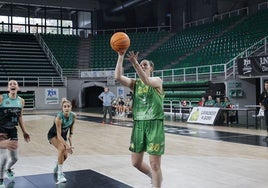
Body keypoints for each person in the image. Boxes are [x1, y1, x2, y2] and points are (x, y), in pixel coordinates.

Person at [115, 51, 165, 188]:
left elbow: (147, 81)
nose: (142, 66)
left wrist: (135, 63)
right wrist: (120, 55)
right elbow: (118, 77)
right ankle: (154, 178)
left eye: (145, 65)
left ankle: (156, 182)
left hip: (154, 124)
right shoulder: (135, 84)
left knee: (155, 164)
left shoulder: (157, 81)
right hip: (139, 125)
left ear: (151, 68)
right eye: (141, 64)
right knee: (136, 162)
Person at [0, 80, 30, 188]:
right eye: (10, 84)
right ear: (8, 88)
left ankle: (8, 169)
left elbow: (20, 116)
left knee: (15, 158)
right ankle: (1, 180)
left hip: (12, 130)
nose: (12, 85)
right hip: (1, 129)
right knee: (3, 157)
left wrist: (24, 131)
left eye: (15, 84)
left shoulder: (21, 101)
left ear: (18, 87)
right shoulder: (2, 98)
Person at [47, 98, 76, 184]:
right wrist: (66, 146)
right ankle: (60, 175)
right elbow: (58, 135)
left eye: (68, 106)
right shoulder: (58, 118)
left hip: (63, 136)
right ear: (62, 108)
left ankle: (57, 167)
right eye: (65, 106)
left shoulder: (73, 116)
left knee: (65, 156)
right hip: (53, 135)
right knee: (62, 149)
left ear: (71, 108)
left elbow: (71, 130)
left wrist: (70, 143)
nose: (67, 108)